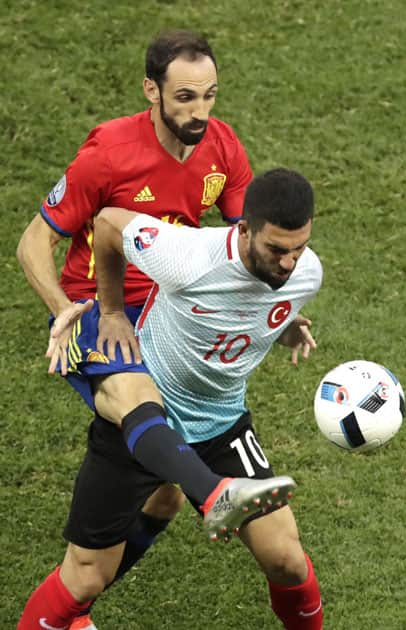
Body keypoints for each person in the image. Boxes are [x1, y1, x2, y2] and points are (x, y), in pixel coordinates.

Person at [16, 29, 253, 630]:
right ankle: (215, 493)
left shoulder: (222, 148)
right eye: (184, 98)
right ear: (151, 90)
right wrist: (63, 307)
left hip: (170, 311)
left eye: (210, 96)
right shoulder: (109, 154)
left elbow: (246, 244)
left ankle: (76, 606)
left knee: (162, 492)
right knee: (133, 397)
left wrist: (280, 299)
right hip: (97, 309)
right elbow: (32, 242)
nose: (200, 112)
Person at [18, 168, 324, 629]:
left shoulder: (306, 275)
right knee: (84, 579)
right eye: (276, 250)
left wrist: (279, 327)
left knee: (287, 560)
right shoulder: (187, 255)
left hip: (222, 426)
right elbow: (107, 223)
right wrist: (113, 310)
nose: (287, 264)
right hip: (142, 420)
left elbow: (248, 309)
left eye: (298, 249)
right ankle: (212, 493)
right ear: (243, 230)